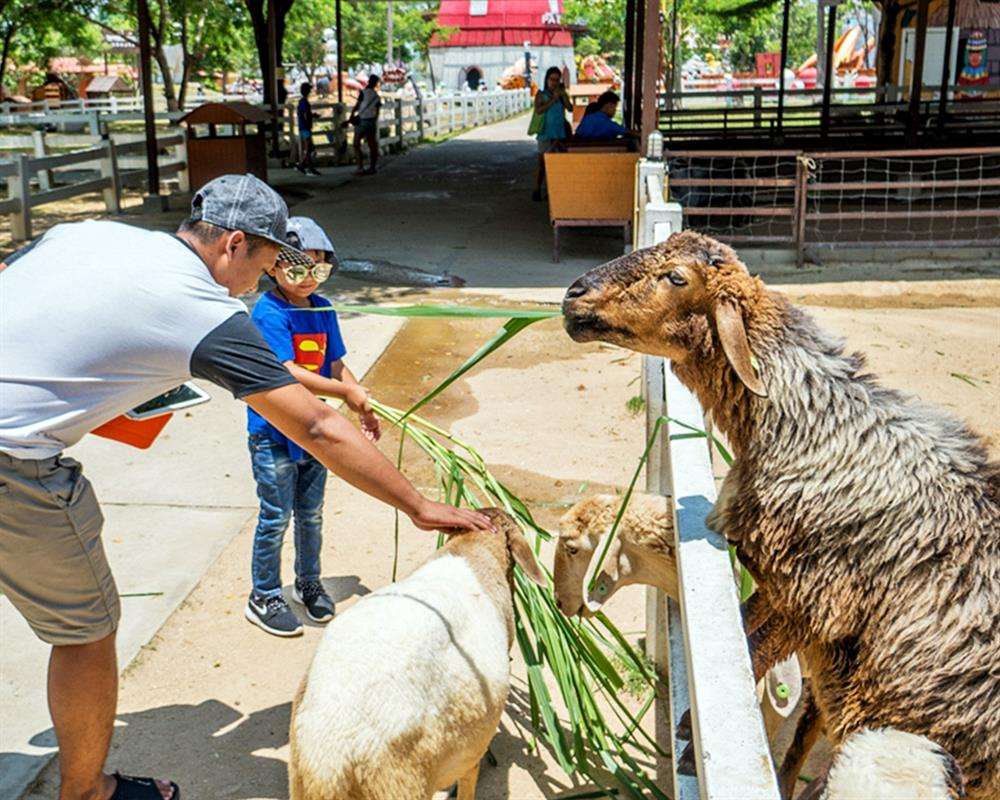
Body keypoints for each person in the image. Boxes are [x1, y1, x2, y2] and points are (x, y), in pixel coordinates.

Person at [0, 173, 490, 800]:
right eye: (264, 262)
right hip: (15, 463)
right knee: (85, 632)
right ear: (234, 244)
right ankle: (88, 791)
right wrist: (417, 505)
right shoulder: (205, 309)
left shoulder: (87, 233)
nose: (261, 280)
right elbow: (314, 423)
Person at [245, 216, 375, 636]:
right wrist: (342, 394)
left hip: (313, 432)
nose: (307, 279)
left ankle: (308, 582)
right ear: (272, 267)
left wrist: (361, 402)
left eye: (318, 270)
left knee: (311, 514)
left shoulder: (323, 309)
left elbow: (336, 364)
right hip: (274, 433)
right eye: (297, 269)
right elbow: (289, 371)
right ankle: (263, 594)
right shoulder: (269, 311)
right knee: (275, 516)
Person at [532, 66, 572, 201]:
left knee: (558, 165)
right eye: (552, 79)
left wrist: (563, 95)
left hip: (560, 134)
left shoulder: (561, 94)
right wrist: (553, 99)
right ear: (547, 80)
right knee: (542, 164)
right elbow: (538, 110)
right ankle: (537, 189)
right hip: (545, 134)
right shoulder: (541, 94)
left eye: (557, 80)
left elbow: (570, 108)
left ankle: (553, 191)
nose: (554, 82)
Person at [350, 74, 382, 175]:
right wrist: (374, 121)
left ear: (368, 81)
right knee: (372, 145)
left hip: (361, 120)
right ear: (376, 83)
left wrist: (352, 115)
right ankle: (372, 167)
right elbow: (377, 112)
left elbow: (357, 106)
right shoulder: (376, 96)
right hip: (371, 121)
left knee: (356, 144)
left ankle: (360, 167)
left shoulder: (363, 93)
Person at [296, 82, 320, 176]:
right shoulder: (305, 102)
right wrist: (309, 121)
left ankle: (306, 166)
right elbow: (306, 114)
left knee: (309, 147)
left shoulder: (302, 101)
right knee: (309, 147)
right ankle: (304, 166)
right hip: (305, 127)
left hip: (303, 127)